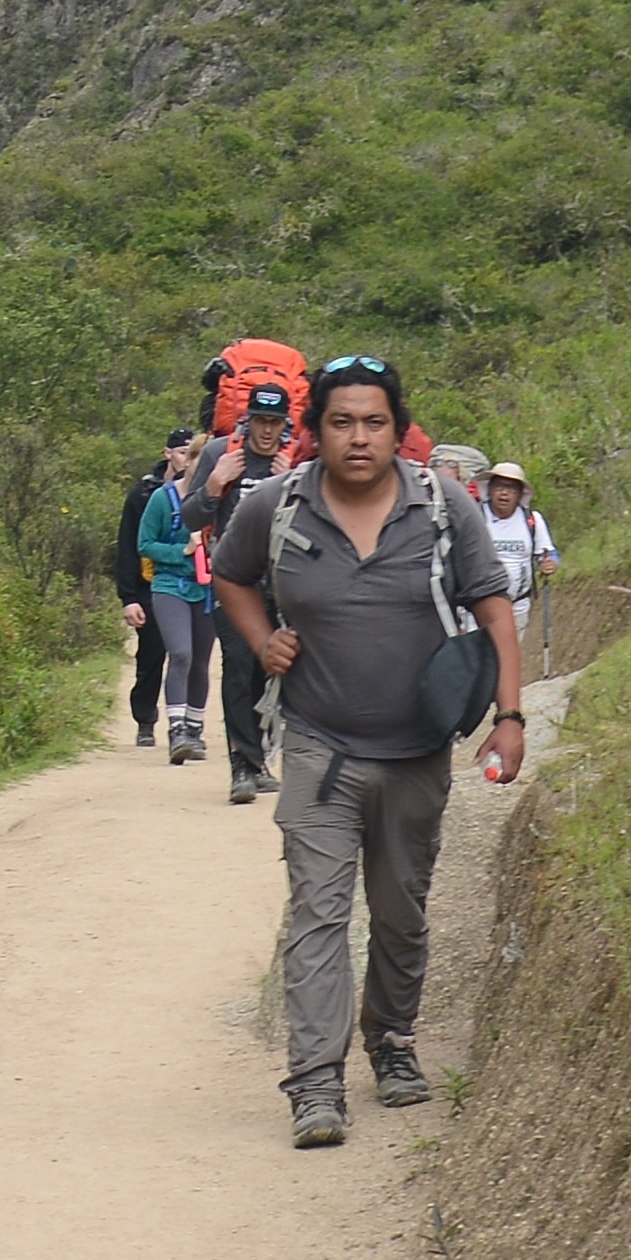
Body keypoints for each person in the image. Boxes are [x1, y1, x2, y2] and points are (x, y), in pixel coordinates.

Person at [207, 358, 529, 1146]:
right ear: (316, 430)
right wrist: (262, 638)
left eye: (374, 422)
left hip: (417, 750)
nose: (359, 437)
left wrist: (511, 716)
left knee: (400, 912)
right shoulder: (278, 505)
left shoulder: (442, 504)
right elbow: (231, 576)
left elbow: (494, 611)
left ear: (398, 429)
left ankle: (390, 1040)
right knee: (319, 912)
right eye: (342, 422)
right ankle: (315, 1083)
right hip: (319, 746)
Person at [181, 365, 297, 799]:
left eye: (276, 423)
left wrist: (291, 480)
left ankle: (259, 757)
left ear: (286, 426)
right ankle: (242, 768)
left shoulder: (295, 462)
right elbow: (191, 517)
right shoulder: (218, 453)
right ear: (247, 420)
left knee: (270, 674)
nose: (267, 432)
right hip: (234, 581)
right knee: (238, 665)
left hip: (284, 583)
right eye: (261, 422)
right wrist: (214, 484)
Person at [104, 441, 216, 759]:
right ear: (188, 461)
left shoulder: (217, 499)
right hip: (169, 585)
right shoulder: (159, 498)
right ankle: (176, 729)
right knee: (180, 653)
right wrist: (181, 551)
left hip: (206, 588)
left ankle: (194, 729)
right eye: (197, 458)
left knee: (201, 662)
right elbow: (144, 543)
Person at [476, 456, 560, 687]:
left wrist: (550, 563)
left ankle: (500, 699)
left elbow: (549, 553)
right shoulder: (475, 516)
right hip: (478, 601)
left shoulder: (532, 520)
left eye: (511, 488)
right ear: (490, 489)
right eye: (500, 486)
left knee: (508, 654)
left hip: (517, 603)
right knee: (478, 653)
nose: (504, 493)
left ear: (520, 494)